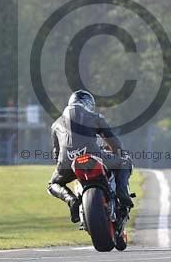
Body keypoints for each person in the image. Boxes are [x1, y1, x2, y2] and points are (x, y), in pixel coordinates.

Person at [47, 90, 133, 223]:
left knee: (53, 184)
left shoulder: (56, 124)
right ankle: (122, 193)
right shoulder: (96, 117)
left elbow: (56, 156)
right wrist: (120, 154)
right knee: (125, 162)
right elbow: (114, 143)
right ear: (88, 104)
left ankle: (71, 200)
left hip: (67, 163)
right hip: (94, 156)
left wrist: (65, 162)